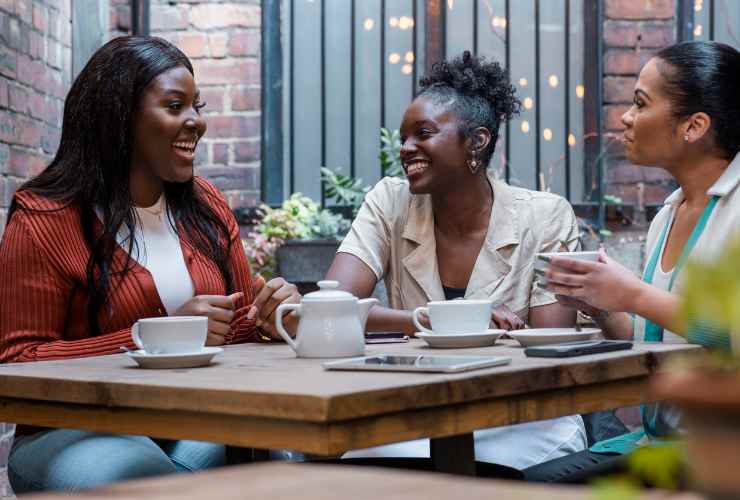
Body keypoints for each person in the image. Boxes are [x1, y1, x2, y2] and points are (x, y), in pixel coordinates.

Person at [0, 36, 300, 493]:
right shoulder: (45, 219)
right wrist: (155, 336)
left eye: (196, 106)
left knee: (277, 446)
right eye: (175, 105)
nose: (196, 122)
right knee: (143, 476)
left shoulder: (207, 208)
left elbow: (239, 328)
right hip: (69, 429)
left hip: (184, 419)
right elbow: (16, 360)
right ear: (120, 117)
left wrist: (273, 318)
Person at [324, 51, 587, 471]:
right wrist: (430, 319)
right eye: (404, 136)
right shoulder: (391, 202)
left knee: (458, 478)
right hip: (413, 414)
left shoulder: (545, 215)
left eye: (423, 134)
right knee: (344, 475)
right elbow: (330, 310)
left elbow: (550, 346)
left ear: (477, 141)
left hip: (520, 416)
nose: (406, 148)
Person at [528, 40, 740, 482]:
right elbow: (656, 337)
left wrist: (633, 292)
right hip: (656, 444)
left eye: (640, 104)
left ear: (694, 125)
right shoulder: (668, 213)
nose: (625, 117)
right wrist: (601, 301)